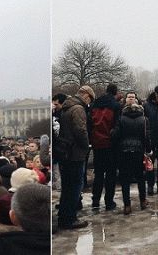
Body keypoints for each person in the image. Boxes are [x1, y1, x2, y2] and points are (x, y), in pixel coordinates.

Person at [55, 85, 93, 231]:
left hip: (67, 152)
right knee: (74, 187)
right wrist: (86, 145)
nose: (89, 102)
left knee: (67, 187)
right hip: (75, 153)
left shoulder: (67, 107)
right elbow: (80, 130)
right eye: (90, 99)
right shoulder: (78, 109)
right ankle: (69, 219)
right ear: (86, 95)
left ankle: (64, 217)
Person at [112, 91, 149, 214]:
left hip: (124, 151)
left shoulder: (121, 118)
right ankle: (143, 201)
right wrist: (147, 150)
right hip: (138, 151)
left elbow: (116, 135)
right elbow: (146, 136)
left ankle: (127, 205)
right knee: (140, 177)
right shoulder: (144, 119)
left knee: (125, 179)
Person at [89, 83, 120, 211]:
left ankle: (95, 201)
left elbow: (90, 123)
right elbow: (117, 125)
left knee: (99, 174)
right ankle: (109, 201)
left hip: (97, 143)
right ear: (115, 92)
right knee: (111, 174)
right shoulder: (116, 105)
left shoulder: (95, 104)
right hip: (110, 144)